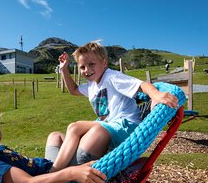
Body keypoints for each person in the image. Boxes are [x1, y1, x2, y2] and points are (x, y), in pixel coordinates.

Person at [51, 41, 179, 171]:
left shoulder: (111, 77)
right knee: (55, 136)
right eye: (82, 67)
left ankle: (53, 173)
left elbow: (141, 85)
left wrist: (155, 94)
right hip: (109, 126)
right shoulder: (91, 85)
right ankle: (56, 169)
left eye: (92, 64)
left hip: (125, 126)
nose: (87, 70)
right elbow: (73, 90)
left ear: (104, 63)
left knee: (74, 127)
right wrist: (63, 69)